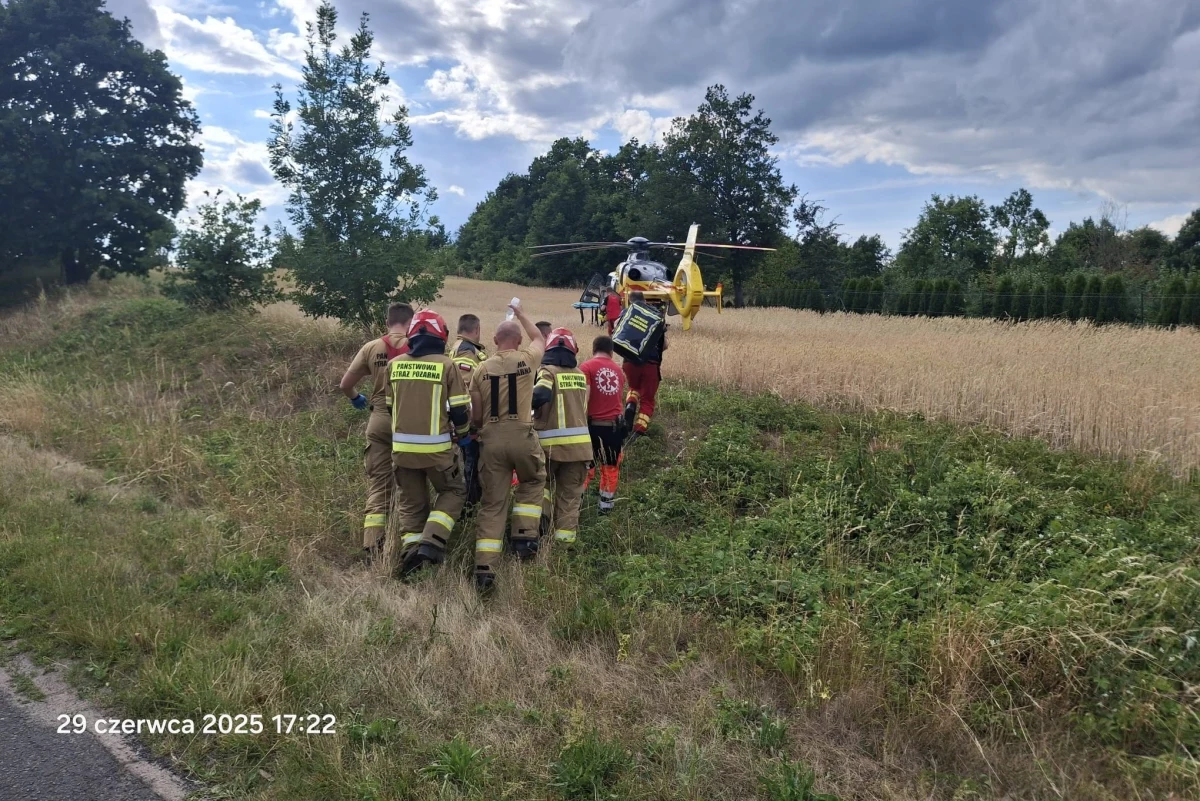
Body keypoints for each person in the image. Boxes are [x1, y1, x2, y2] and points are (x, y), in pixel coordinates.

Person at [384, 310, 470, 576]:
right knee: (454, 491)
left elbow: (389, 408)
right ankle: (431, 542)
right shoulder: (447, 365)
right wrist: (464, 435)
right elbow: (459, 410)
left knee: (411, 503)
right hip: (437, 451)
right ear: (441, 336)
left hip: (402, 451)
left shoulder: (394, 365)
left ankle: (411, 555)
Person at [468, 303, 547, 590]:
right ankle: (524, 538)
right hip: (522, 436)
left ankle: (485, 568)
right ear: (519, 341)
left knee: (493, 502)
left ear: (494, 340)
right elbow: (540, 337)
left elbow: (476, 416)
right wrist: (521, 312)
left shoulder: (480, 369)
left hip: (491, 440)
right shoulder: (528, 359)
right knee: (533, 480)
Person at [338, 302, 413, 556]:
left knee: (379, 484)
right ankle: (410, 545)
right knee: (411, 483)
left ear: (387, 322)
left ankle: (373, 544)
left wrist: (355, 397)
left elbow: (345, 384)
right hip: (409, 422)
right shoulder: (417, 346)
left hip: (379, 418)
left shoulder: (372, 347)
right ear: (411, 323)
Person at [532, 328, 592, 544]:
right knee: (569, 498)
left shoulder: (547, 371)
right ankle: (563, 546)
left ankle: (542, 524)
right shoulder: (580, 375)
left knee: (541, 487)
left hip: (549, 447)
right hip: (579, 449)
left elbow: (540, 394)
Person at [579, 335, 626, 514]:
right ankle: (605, 511)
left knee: (584, 469)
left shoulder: (586, 367)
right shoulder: (619, 371)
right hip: (613, 430)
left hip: (591, 427)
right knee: (610, 470)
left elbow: (584, 399)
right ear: (611, 352)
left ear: (593, 350)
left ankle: (573, 509)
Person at [449, 314, 488, 505]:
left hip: (460, 420)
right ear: (477, 329)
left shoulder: (456, 347)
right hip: (468, 422)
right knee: (471, 466)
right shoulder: (467, 351)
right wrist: (471, 423)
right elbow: (464, 387)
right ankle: (469, 506)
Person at [620, 291, 667, 444]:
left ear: (630, 301)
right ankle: (639, 431)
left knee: (634, 387)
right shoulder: (655, 316)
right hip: (650, 363)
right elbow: (664, 345)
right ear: (644, 300)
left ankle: (630, 406)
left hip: (629, 362)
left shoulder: (626, 314)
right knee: (647, 399)